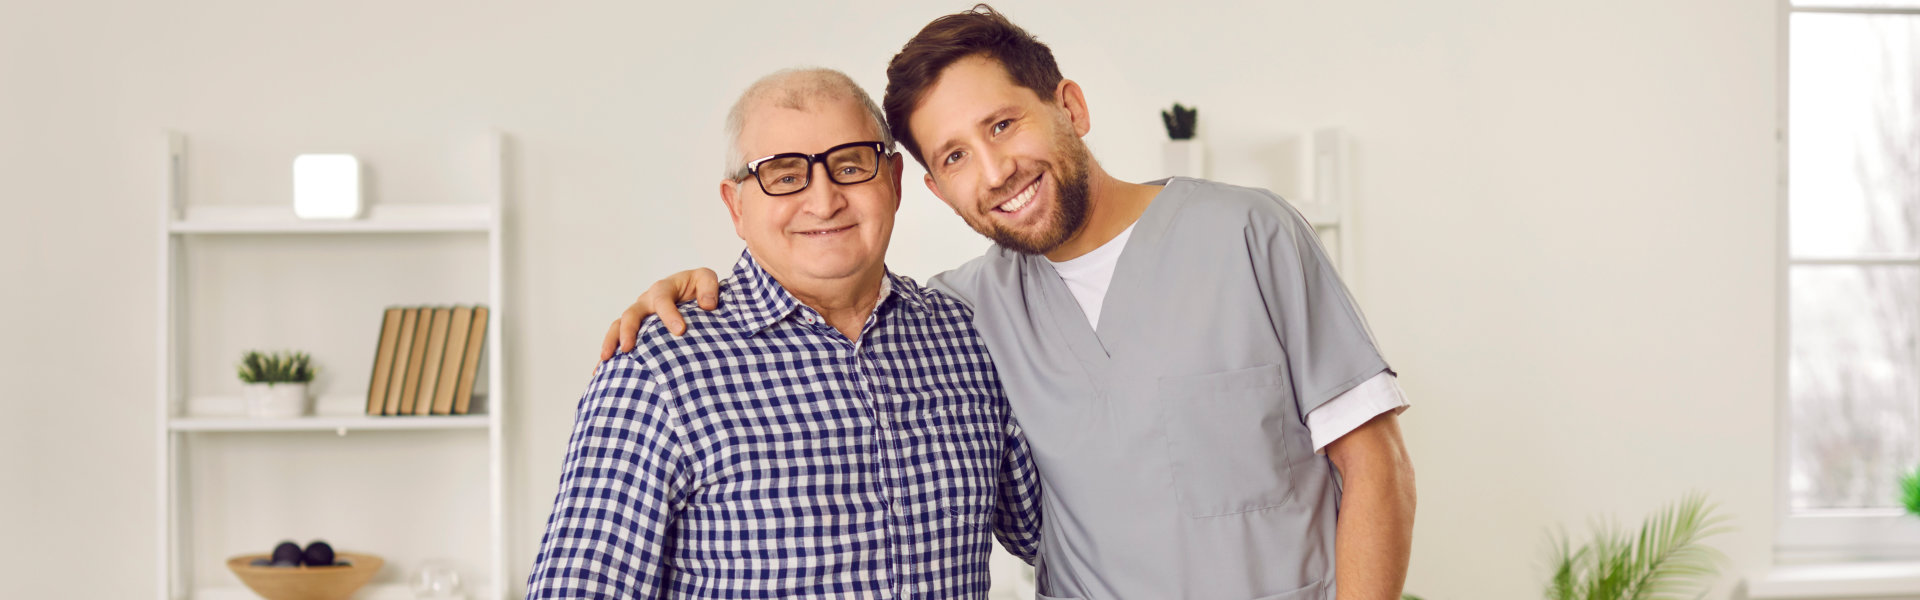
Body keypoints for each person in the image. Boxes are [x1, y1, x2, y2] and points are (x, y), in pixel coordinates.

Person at [603, 7, 1416, 599]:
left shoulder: (1248, 233)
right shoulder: (964, 313)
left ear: (1070, 106)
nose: (994, 171)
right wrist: (698, 285)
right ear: (928, 186)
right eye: (956, 154)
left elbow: (1375, 464)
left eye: (1003, 124)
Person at [526, 67, 1042, 599]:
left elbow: (1063, 539)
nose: (824, 201)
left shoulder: (966, 340)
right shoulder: (657, 370)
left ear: (892, 181)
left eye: (849, 165)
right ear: (736, 206)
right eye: (785, 175)